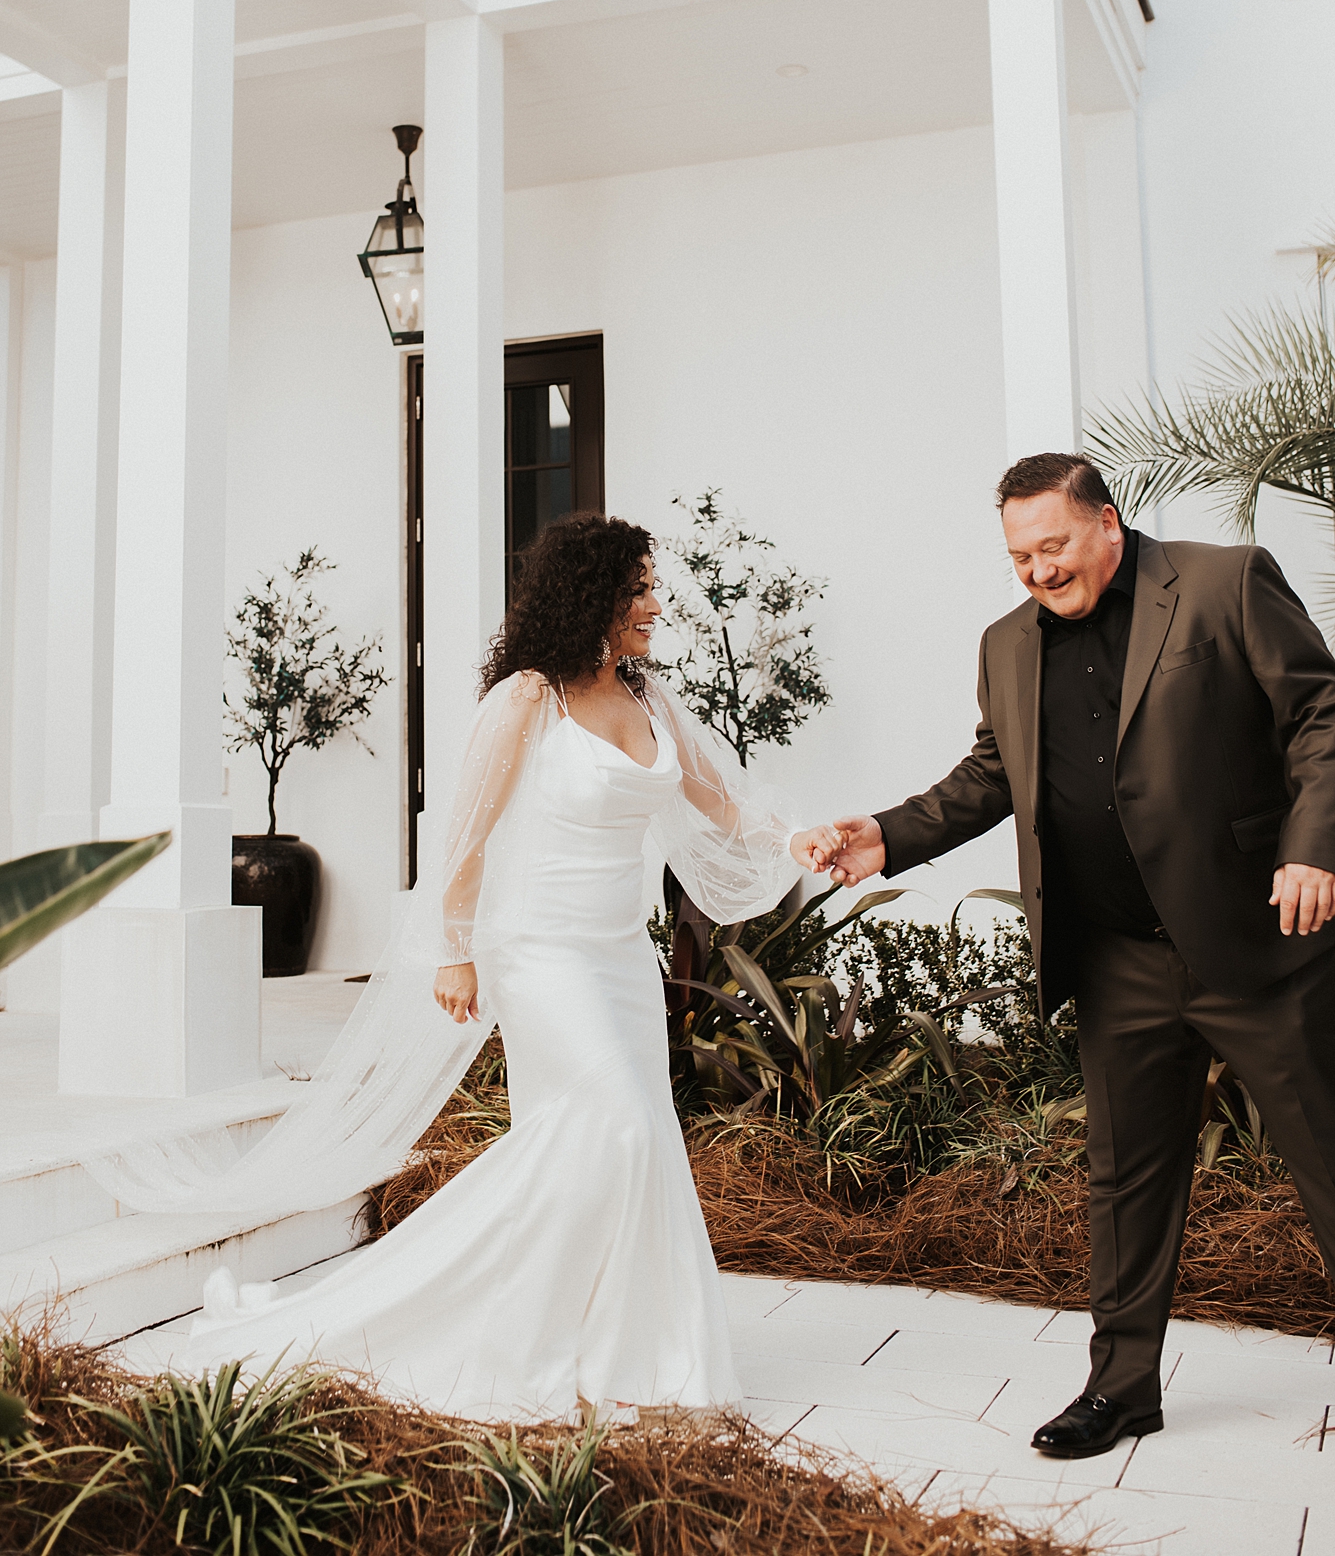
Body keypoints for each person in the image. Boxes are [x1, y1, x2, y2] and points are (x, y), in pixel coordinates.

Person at [154, 512, 805, 1419]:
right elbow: (464, 838)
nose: (657, 604)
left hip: (620, 958)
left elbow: (723, 805)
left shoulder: (649, 697)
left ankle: (624, 1349)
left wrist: (805, 841)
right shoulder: (528, 700)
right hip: (540, 953)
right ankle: (441, 1316)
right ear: (596, 597)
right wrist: (453, 950)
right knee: (611, 1126)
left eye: (654, 586)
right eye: (641, 588)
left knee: (628, 1141)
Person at [793, 453, 1335, 1461]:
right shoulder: (1007, 644)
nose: (1037, 569)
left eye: (1052, 545)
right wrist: (885, 832)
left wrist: (1311, 846)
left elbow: (1320, 714)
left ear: (1107, 524)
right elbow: (993, 770)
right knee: (1124, 1180)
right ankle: (1122, 1387)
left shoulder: (1223, 582)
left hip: (1254, 939)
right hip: (1117, 952)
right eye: (1019, 554)